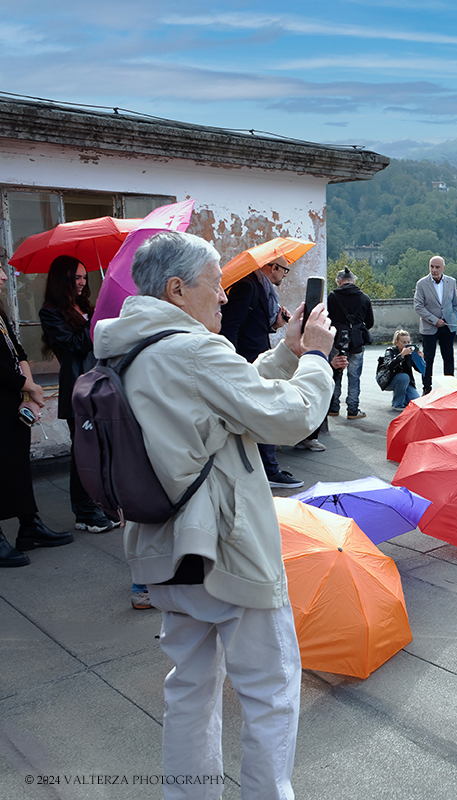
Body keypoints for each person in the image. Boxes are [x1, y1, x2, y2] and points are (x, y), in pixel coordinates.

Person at [92, 230, 334, 798]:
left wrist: (288, 352)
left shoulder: (130, 346)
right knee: (271, 694)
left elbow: (234, 395)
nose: (225, 297)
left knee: (190, 691)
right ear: (177, 290)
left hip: (166, 551)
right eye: (215, 286)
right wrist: (319, 359)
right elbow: (289, 417)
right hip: (227, 553)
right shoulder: (191, 349)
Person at [2, 267, 73, 568]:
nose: (4, 277)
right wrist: (29, 386)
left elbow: (17, 352)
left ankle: (29, 526)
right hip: (6, 395)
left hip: (12, 400)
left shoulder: (1, 313)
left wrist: (29, 391)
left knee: (17, 465)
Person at [39, 255, 116, 532]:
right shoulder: (50, 311)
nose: (83, 283)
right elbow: (75, 345)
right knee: (84, 451)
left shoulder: (85, 306)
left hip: (100, 383)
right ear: (64, 280)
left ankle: (102, 503)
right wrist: (96, 320)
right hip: (78, 387)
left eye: (85, 277)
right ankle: (83, 511)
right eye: (77, 278)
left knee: (105, 448)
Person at [220, 252, 304, 489]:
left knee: (262, 410)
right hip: (246, 360)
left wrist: (274, 324)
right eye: (284, 270)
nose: (285, 276)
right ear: (272, 267)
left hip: (254, 354)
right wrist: (231, 361)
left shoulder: (262, 288)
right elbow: (231, 325)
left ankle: (266, 468)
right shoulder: (248, 286)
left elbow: (251, 325)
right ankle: (270, 470)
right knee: (264, 410)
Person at [326, 267, 374, 420]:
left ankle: (333, 408)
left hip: (337, 340)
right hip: (357, 342)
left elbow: (328, 318)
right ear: (353, 281)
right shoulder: (364, 297)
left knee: (336, 373)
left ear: (339, 282)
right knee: (354, 377)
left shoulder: (332, 296)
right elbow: (370, 322)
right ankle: (353, 410)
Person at [413, 255, 457, 395]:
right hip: (429, 327)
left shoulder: (451, 282)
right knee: (428, 359)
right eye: (432, 267)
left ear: (443, 268)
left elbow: (455, 304)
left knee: (448, 357)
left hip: (447, 326)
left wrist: (453, 319)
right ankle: (427, 388)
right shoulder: (421, 284)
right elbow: (418, 306)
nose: (434, 270)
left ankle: (449, 388)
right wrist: (434, 320)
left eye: (437, 267)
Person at [379, 329, 424, 411]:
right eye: (404, 342)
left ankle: (404, 398)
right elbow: (389, 366)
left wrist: (420, 359)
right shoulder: (390, 351)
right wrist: (401, 355)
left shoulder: (410, 353)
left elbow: (421, 370)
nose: (407, 345)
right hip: (388, 380)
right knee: (404, 377)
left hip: (406, 382)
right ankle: (397, 404)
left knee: (417, 404)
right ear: (397, 342)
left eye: (408, 342)